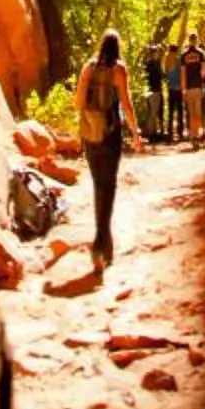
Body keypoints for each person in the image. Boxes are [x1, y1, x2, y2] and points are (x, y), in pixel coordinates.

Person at [75, 26, 142, 267]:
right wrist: (135, 132)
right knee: (109, 187)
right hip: (110, 134)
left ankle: (104, 245)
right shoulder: (118, 70)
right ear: (117, 47)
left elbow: (78, 103)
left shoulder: (88, 67)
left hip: (90, 133)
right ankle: (99, 244)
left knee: (98, 187)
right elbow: (126, 104)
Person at [180, 30, 205, 148]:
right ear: (196, 40)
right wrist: (202, 82)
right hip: (197, 87)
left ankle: (193, 135)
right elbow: (204, 71)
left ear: (189, 40)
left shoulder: (184, 55)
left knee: (191, 114)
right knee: (197, 113)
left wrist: (183, 89)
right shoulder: (201, 53)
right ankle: (196, 135)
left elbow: (183, 73)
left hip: (188, 88)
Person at [141, 33, 166, 140]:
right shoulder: (153, 65)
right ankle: (152, 134)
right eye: (155, 52)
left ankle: (154, 132)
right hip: (154, 90)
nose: (157, 54)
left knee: (153, 112)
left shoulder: (149, 64)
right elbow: (161, 75)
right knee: (153, 113)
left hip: (152, 90)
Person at [163, 38, 185, 144]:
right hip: (178, 89)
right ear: (176, 50)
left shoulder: (167, 60)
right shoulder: (178, 60)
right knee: (179, 111)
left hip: (171, 89)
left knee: (171, 112)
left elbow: (166, 74)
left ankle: (170, 133)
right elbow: (182, 74)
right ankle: (180, 133)